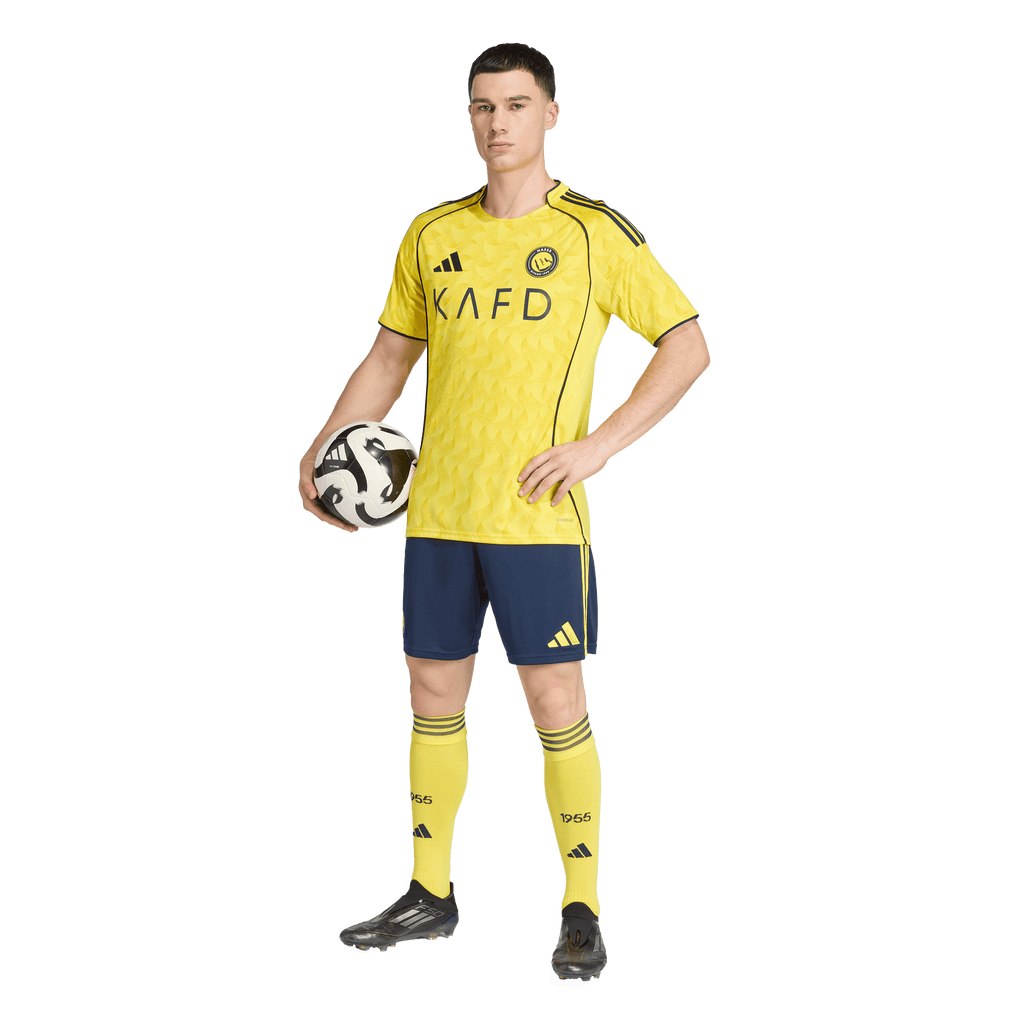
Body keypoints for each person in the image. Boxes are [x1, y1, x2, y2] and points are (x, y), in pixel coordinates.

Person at [297, 41, 711, 988]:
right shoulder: (431, 233)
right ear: (470, 118)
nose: (498, 123)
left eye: (517, 105)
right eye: (483, 106)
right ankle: (429, 892)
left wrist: (597, 447)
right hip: (439, 512)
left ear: (550, 114)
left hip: (538, 521)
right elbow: (389, 358)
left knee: (555, 701)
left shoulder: (594, 232)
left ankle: (581, 909)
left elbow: (686, 344)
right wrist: (324, 448)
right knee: (431, 693)